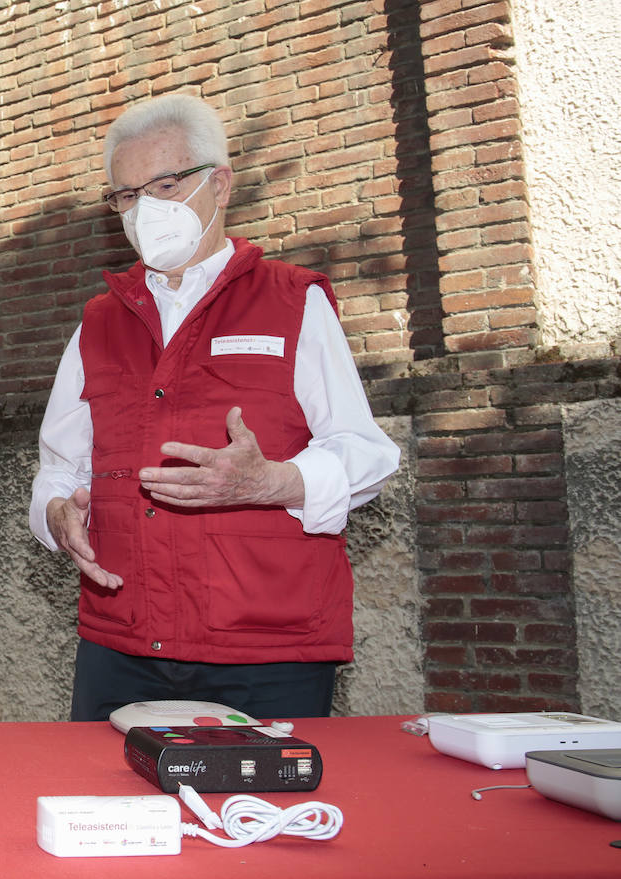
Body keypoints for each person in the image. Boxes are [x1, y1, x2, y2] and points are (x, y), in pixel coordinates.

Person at [29, 93, 400, 722]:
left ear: (220, 185)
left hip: (267, 653)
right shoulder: (98, 322)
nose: (145, 209)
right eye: (126, 195)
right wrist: (56, 516)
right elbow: (60, 470)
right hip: (121, 645)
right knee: (109, 816)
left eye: (166, 184)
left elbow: (365, 454)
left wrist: (271, 481)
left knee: (269, 818)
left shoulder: (291, 302)